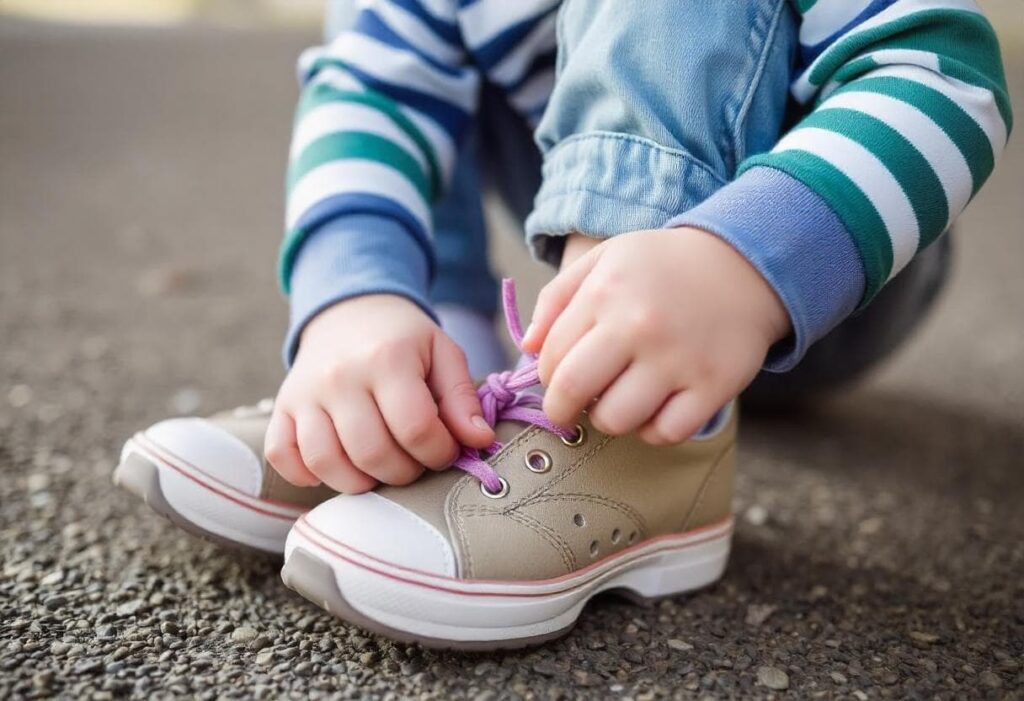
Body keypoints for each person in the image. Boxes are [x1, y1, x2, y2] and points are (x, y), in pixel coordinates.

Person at [116, 0, 1011, 647]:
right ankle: (438, 394)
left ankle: (631, 431)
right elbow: (369, 94)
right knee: (405, 53)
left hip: (828, 255)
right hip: (632, 266)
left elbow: (945, 72)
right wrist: (353, 301)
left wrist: (741, 261)